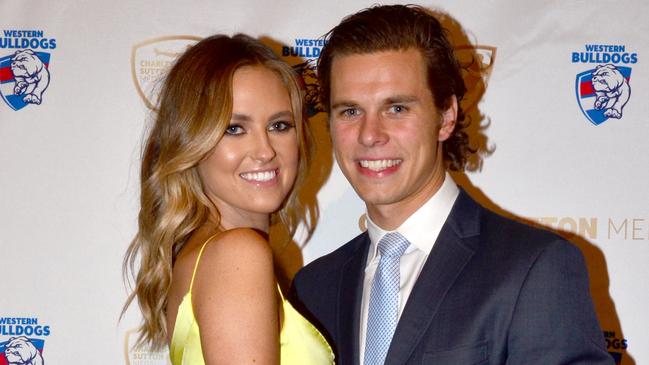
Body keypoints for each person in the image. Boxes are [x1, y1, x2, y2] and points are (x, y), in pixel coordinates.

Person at [291, 5, 613, 365]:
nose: (370, 135)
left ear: (446, 117)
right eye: (350, 111)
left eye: (396, 108)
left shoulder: (534, 269)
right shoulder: (314, 288)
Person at [122, 34, 334, 365]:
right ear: (192, 142)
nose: (265, 151)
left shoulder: (201, 255)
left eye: (280, 125)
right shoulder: (238, 254)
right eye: (234, 129)